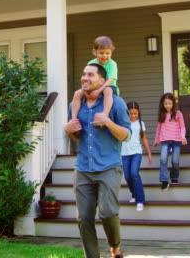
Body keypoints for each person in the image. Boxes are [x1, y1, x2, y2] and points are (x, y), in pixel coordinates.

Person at [65, 63, 131, 258]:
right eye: (83, 74)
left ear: (101, 81)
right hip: (83, 168)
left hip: (109, 166)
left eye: (90, 75)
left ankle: (115, 247)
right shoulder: (75, 105)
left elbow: (126, 135)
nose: (85, 78)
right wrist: (69, 132)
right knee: (83, 218)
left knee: (108, 212)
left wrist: (108, 122)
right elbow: (78, 136)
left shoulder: (116, 103)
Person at [71, 36, 119, 128]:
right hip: (93, 86)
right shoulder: (91, 63)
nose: (105, 56)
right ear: (95, 52)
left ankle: (104, 115)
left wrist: (98, 91)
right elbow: (86, 77)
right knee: (77, 93)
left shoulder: (112, 64)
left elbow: (110, 80)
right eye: (101, 53)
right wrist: (85, 91)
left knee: (107, 91)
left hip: (108, 86)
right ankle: (74, 120)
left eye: (108, 53)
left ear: (112, 52)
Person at [122, 101, 154, 212]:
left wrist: (149, 153)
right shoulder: (123, 123)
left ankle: (140, 200)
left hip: (136, 152)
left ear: (138, 112)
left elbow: (144, 138)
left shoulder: (141, 123)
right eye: (131, 113)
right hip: (124, 153)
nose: (133, 116)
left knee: (134, 174)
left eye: (135, 113)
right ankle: (134, 195)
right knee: (127, 176)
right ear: (127, 113)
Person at [152, 93, 187, 191]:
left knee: (175, 161)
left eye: (169, 103)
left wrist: (183, 136)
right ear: (162, 104)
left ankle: (174, 177)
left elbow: (182, 126)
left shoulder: (178, 114)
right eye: (165, 104)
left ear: (173, 103)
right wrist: (156, 140)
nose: (167, 105)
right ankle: (164, 180)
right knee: (163, 159)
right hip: (165, 140)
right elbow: (159, 128)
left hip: (176, 140)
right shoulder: (162, 115)